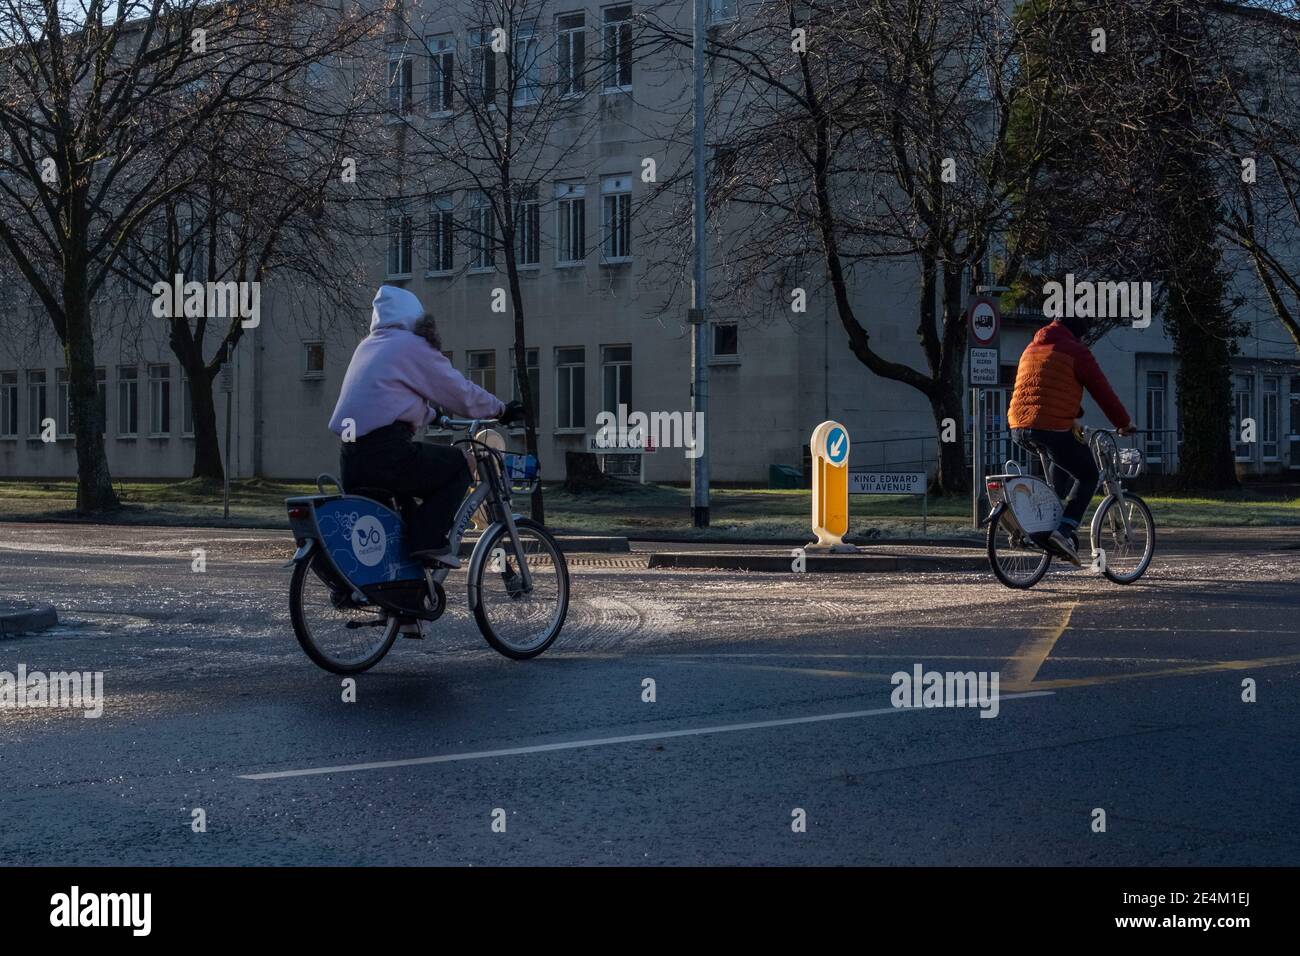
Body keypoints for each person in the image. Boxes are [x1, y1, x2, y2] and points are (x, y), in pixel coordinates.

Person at [328, 285, 524, 567]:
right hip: (388, 453)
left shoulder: (368, 346)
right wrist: (501, 409)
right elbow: (459, 392)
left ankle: (405, 598)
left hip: (352, 458)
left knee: (402, 527)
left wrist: (431, 415)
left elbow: (386, 397)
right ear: (415, 317)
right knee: (459, 464)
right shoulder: (410, 345)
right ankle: (429, 543)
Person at [1006, 314, 1136, 565]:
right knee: (1088, 474)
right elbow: (1102, 391)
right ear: (1078, 333)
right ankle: (1064, 531)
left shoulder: (1032, 348)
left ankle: (1045, 523)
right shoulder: (1076, 351)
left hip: (1018, 425)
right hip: (1050, 426)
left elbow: (1045, 389)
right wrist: (1123, 423)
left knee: (1062, 459)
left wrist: (1073, 415)